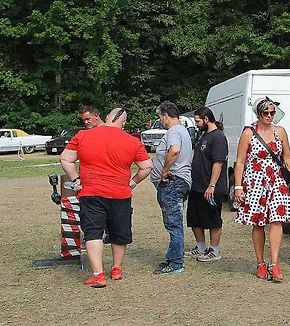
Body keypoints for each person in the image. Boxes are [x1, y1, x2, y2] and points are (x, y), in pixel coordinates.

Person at [60, 108, 152, 288]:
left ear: (107, 118)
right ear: (123, 123)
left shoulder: (83, 136)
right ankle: (116, 269)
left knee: (93, 232)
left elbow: (65, 159)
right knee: (119, 232)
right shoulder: (132, 141)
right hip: (120, 194)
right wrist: (133, 182)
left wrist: (76, 179)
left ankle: (98, 274)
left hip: (91, 192)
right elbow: (147, 166)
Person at [233, 97, 290, 282]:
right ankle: (260, 263)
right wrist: (238, 186)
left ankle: (274, 264)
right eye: (266, 113)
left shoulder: (280, 132)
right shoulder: (248, 133)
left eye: (272, 113)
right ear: (258, 113)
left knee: (277, 221)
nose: (270, 116)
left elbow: (288, 156)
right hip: (255, 181)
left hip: (277, 181)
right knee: (258, 223)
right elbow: (240, 161)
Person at [150, 101, 193, 275]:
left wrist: (164, 172)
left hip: (173, 181)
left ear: (166, 115)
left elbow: (174, 150)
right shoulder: (182, 130)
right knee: (173, 222)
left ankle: (176, 262)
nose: (160, 120)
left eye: (160, 116)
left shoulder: (174, 131)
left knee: (173, 223)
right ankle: (173, 257)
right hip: (180, 181)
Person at [187, 107, 228, 262]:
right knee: (194, 218)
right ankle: (201, 246)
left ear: (206, 119)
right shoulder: (203, 135)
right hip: (196, 186)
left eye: (197, 121)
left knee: (212, 219)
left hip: (210, 187)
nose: (196, 124)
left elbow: (218, 163)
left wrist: (212, 185)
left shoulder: (217, 137)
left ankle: (214, 250)